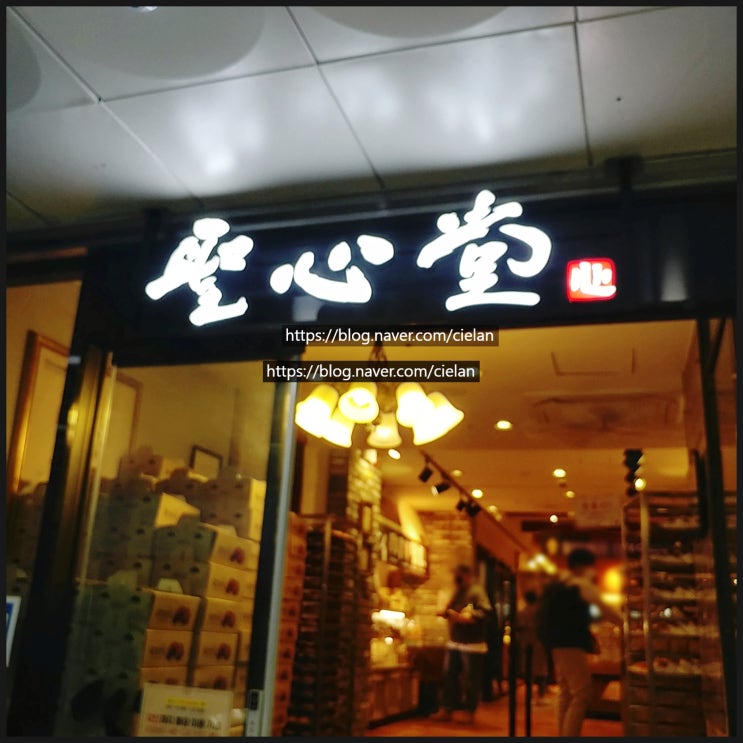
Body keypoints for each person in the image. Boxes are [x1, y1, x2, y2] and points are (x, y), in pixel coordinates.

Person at [536, 548, 623, 737]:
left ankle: (563, 734)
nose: (592, 570)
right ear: (580, 566)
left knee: (566, 692)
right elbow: (605, 608)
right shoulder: (580, 584)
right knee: (582, 692)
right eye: (590, 566)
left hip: (554, 643)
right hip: (570, 643)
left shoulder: (560, 583)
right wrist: (624, 622)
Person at [430, 564, 493, 724]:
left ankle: (469, 711)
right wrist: (446, 612)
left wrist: (470, 616)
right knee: (449, 676)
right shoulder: (456, 591)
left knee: (470, 679)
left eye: (460, 575)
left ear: (468, 575)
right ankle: (447, 708)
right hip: (455, 640)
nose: (457, 578)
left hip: (472, 643)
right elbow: (448, 609)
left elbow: (485, 612)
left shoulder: (477, 591)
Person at [515, 590, 549, 703]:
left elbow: (519, 628)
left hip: (526, 643)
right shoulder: (541, 613)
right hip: (540, 643)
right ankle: (541, 695)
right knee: (542, 670)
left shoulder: (522, 612)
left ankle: (529, 696)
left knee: (529, 671)